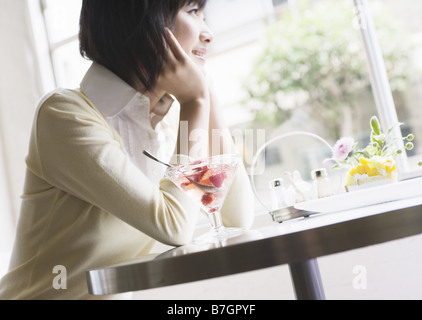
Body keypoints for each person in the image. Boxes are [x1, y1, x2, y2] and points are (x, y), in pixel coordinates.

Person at [0, 0, 255, 300]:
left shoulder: (173, 118)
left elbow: (237, 219)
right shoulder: (65, 115)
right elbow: (173, 227)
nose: (208, 33)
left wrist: (205, 92)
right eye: (193, 12)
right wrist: (195, 101)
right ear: (145, 23)